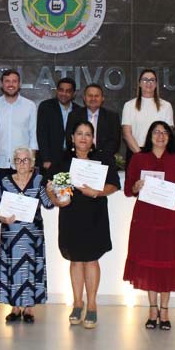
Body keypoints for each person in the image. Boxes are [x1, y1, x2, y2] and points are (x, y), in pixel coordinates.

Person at [48, 121, 120, 329]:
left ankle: (92, 305)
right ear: (72, 138)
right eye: (79, 133)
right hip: (70, 214)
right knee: (75, 259)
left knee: (91, 259)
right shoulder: (63, 159)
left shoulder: (102, 158)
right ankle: (77, 303)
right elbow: (50, 185)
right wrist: (56, 200)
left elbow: (114, 184)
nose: (83, 138)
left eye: (88, 134)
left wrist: (97, 191)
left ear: (92, 139)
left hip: (94, 214)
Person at [124, 121, 175, 331]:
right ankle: (152, 310)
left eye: (164, 132)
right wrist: (136, 186)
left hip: (171, 220)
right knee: (149, 264)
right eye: (156, 132)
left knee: (167, 264)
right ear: (149, 136)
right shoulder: (139, 158)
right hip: (146, 220)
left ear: (170, 136)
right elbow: (128, 189)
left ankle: (165, 310)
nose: (160, 136)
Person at [0, 147, 54, 324]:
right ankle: (14, 307)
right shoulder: (4, 182)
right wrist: (2, 216)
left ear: (32, 163)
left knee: (30, 269)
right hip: (11, 236)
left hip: (32, 237)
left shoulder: (39, 180)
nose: (22, 163)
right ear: (13, 163)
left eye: (26, 160)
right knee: (12, 269)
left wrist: (52, 190)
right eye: (18, 160)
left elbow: (49, 204)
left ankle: (28, 308)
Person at [0, 69, 38, 181]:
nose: (11, 84)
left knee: (21, 198)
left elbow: (33, 135)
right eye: (7, 81)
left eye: (14, 81)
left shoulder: (30, 106)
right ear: (2, 84)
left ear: (19, 84)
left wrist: (31, 162)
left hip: (22, 164)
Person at [122, 69, 174, 163]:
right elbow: (127, 133)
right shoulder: (129, 105)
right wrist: (140, 155)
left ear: (156, 84)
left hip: (159, 154)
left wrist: (153, 156)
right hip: (135, 153)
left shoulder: (166, 106)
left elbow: (168, 133)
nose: (148, 83)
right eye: (145, 80)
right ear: (140, 83)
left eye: (152, 80)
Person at [65, 83, 121, 162]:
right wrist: (81, 156)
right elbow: (69, 138)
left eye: (96, 96)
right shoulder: (74, 115)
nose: (93, 99)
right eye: (90, 96)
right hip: (78, 159)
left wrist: (98, 157)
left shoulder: (112, 117)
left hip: (104, 160)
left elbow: (115, 142)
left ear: (102, 98)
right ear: (84, 98)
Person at [36, 77, 80, 174]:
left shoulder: (78, 110)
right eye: (61, 90)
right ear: (57, 91)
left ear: (74, 94)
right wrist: (45, 158)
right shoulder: (46, 106)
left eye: (68, 91)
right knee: (49, 188)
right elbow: (41, 134)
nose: (64, 94)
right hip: (50, 159)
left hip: (71, 159)